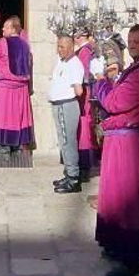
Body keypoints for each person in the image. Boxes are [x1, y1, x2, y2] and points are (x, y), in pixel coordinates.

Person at [95, 24, 139, 276]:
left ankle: (130, 256)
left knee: (125, 196)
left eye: (137, 42)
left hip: (126, 141)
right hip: (117, 139)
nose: (132, 45)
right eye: (130, 41)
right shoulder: (134, 69)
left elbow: (114, 102)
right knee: (112, 195)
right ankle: (114, 243)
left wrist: (101, 83)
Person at [48, 34, 87, 192]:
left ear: (71, 48)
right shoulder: (62, 61)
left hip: (67, 105)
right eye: (58, 46)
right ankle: (68, 173)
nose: (60, 50)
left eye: (63, 47)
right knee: (63, 141)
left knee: (68, 141)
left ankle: (73, 178)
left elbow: (79, 91)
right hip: (59, 105)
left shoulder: (75, 64)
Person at [0, 18, 34, 152]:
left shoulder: (2, 43)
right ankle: (20, 143)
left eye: (5, 27)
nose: (2, 30)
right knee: (19, 116)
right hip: (21, 86)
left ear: (13, 29)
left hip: (6, 86)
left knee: (5, 116)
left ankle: (5, 145)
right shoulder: (25, 44)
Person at [73, 29, 99, 175]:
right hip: (85, 91)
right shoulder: (87, 51)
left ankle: (85, 161)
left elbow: (82, 73)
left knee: (84, 123)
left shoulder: (84, 52)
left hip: (84, 92)